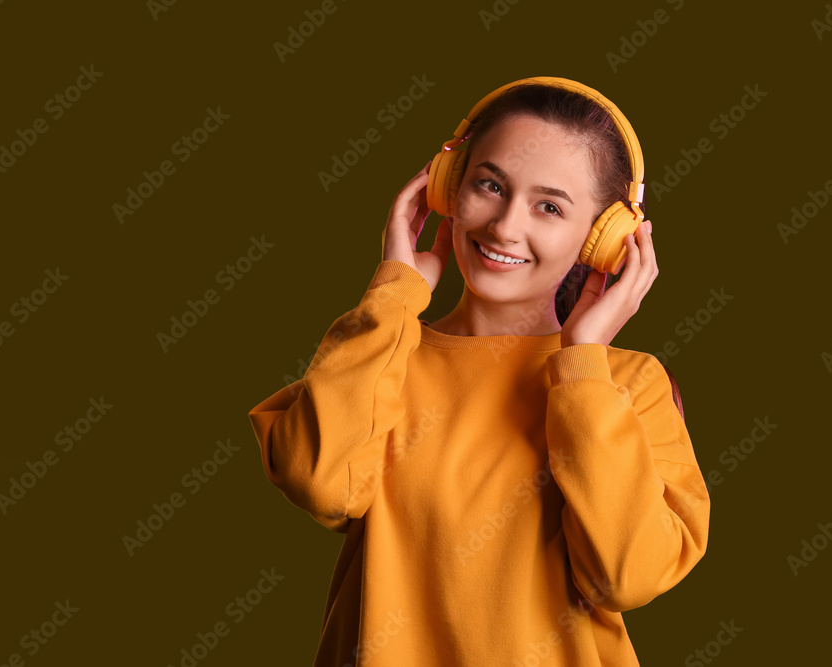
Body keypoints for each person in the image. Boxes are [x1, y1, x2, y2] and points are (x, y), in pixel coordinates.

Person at [248, 77, 710, 666]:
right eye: (491, 185)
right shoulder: (385, 350)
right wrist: (393, 293)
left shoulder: (627, 385)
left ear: (604, 242)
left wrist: (583, 362)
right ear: (446, 188)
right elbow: (318, 480)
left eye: (549, 206)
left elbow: (624, 575)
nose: (504, 226)